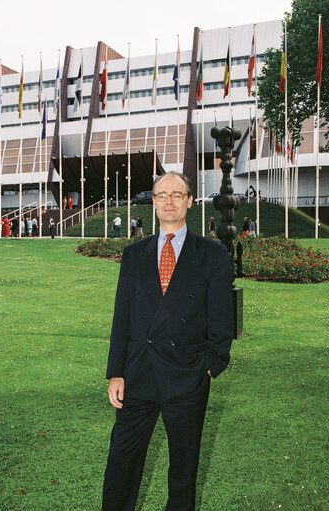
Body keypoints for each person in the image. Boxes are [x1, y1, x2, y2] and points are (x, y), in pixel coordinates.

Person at [102, 171, 233, 511]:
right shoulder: (134, 255)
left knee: (183, 470)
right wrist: (116, 372)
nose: (169, 200)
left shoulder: (213, 255)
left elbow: (222, 320)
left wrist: (210, 365)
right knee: (121, 462)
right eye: (162, 195)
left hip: (187, 377)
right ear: (154, 203)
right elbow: (123, 317)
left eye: (177, 194)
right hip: (138, 376)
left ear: (190, 200)